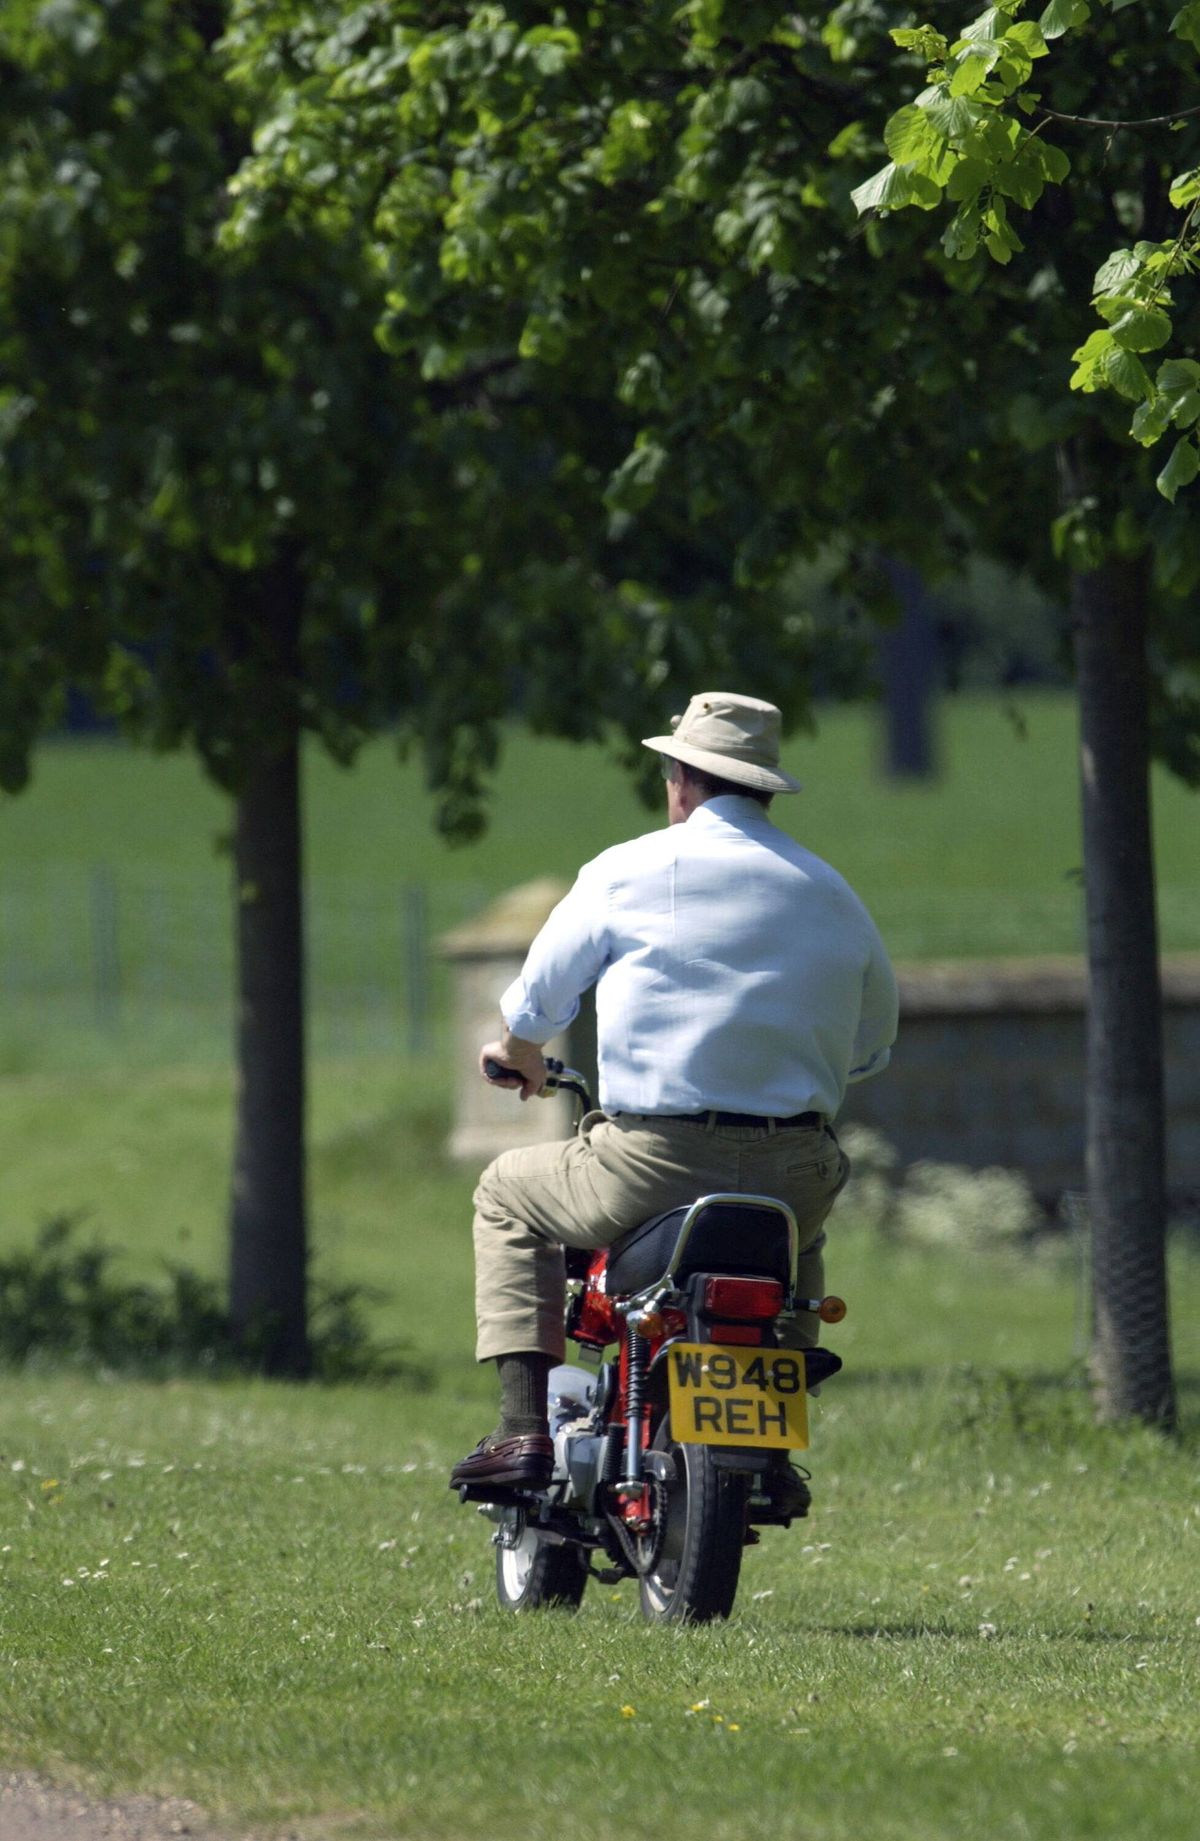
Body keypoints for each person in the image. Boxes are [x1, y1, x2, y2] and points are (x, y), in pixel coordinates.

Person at [449, 690, 898, 1515]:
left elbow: (537, 1001)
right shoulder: (832, 891)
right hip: (793, 1164)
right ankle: (771, 1434)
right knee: (796, 1243)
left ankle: (522, 1430)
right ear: (762, 786)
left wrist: (516, 1056)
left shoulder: (628, 870)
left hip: (650, 1164)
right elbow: (872, 1043)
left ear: (682, 780)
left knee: (506, 1192)